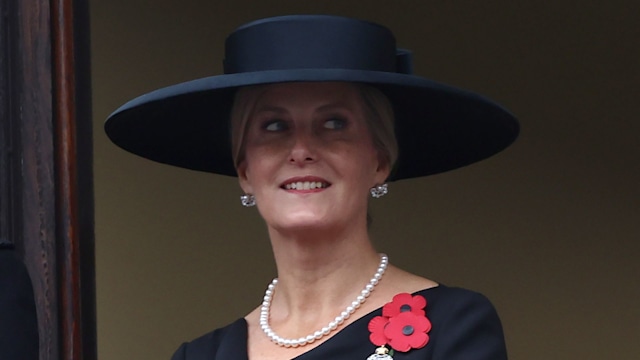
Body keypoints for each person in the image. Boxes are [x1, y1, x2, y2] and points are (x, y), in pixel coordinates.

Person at [105, 15, 518, 360]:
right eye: (274, 126)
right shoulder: (201, 356)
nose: (301, 150)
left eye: (334, 123)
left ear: (379, 161)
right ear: (245, 170)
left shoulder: (452, 327)